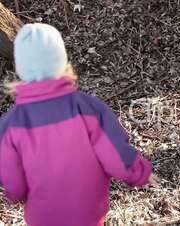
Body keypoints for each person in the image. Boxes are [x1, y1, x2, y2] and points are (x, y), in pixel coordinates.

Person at [0, 23, 159, 226]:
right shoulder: (88, 109)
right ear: (60, 61)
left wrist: (15, 194)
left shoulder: (11, 124)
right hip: (87, 212)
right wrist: (139, 172)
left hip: (42, 215)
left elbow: (10, 173)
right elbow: (114, 153)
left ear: (21, 68)